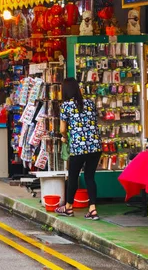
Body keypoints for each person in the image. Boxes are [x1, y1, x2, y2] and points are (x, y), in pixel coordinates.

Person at [55, 78, 102, 220]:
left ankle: (68, 207)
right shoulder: (89, 103)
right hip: (95, 145)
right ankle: (93, 208)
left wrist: (64, 137)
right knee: (89, 177)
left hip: (78, 147)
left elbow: (63, 129)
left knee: (73, 176)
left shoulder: (66, 106)